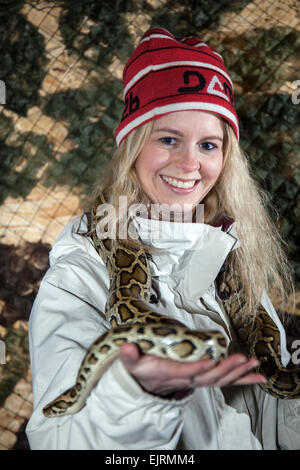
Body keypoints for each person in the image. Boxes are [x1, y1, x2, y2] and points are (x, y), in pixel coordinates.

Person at [26, 27, 299, 450]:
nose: (190, 163)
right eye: (168, 139)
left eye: (209, 144)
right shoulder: (78, 273)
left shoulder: (232, 258)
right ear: (132, 147)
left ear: (226, 159)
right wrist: (134, 395)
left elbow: (273, 415)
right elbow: (58, 439)